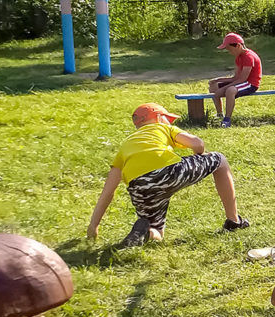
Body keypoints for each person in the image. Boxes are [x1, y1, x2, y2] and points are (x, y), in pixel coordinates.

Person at [87, 102, 250, 248]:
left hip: (139, 187)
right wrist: (198, 158)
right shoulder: (163, 127)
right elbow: (197, 143)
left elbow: (108, 191)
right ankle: (233, 221)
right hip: (168, 172)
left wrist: (93, 226)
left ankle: (146, 233)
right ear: (158, 117)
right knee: (220, 160)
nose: (171, 122)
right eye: (168, 119)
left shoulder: (126, 147)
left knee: (157, 231)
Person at [208, 32, 262, 126]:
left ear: (238, 46)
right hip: (241, 81)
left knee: (230, 90)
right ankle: (219, 114)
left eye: (230, 49)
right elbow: (236, 78)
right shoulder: (238, 58)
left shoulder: (249, 57)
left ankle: (227, 120)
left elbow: (242, 79)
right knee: (213, 88)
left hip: (250, 84)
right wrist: (217, 80)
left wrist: (224, 88)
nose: (230, 52)